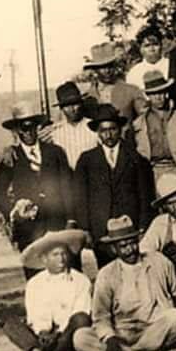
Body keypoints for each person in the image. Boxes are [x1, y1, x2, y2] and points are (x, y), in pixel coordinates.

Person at [73, 216, 176, 351]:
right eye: (123, 246)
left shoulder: (159, 261)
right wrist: (109, 337)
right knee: (80, 337)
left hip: (153, 331)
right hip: (121, 334)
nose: (130, 249)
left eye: (133, 243)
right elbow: (101, 317)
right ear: (114, 249)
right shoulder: (106, 274)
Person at [0, 104, 73, 276]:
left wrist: (71, 219)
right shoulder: (11, 157)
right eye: (23, 128)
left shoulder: (55, 152)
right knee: (36, 277)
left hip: (57, 224)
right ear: (16, 131)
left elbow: (69, 187)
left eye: (31, 127)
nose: (28, 132)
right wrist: (14, 213)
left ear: (37, 127)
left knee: (65, 274)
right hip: (29, 230)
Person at [73, 104, 150, 267]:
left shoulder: (135, 158)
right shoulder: (87, 160)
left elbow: (145, 194)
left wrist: (143, 225)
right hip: (101, 230)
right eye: (103, 130)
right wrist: (86, 229)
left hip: (130, 228)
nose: (108, 135)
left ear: (120, 129)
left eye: (113, 129)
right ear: (97, 132)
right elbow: (80, 198)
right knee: (107, 270)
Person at [3, 229, 91, 351]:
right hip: (44, 339)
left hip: (67, 336)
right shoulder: (35, 284)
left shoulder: (81, 280)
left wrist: (59, 333)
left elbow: (81, 311)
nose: (61, 259)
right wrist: (42, 332)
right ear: (44, 259)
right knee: (10, 324)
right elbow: (35, 315)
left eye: (63, 253)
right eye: (55, 255)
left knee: (81, 319)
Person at [136, 70, 176, 185]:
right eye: (154, 94)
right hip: (152, 171)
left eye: (161, 92)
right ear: (148, 95)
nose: (159, 97)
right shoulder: (140, 123)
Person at [84, 42, 144, 123]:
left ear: (115, 66)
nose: (107, 71)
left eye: (110, 66)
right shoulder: (88, 97)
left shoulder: (132, 91)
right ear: (95, 69)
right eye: (102, 67)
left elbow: (145, 116)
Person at [46, 81, 98, 172]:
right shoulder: (55, 133)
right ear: (61, 108)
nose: (72, 109)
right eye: (67, 106)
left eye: (75, 104)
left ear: (81, 104)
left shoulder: (94, 127)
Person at [126, 24, 168, 89]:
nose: (152, 49)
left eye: (155, 44)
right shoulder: (134, 73)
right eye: (147, 46)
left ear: (161, 45)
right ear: (141, 49)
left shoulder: (171, 64)